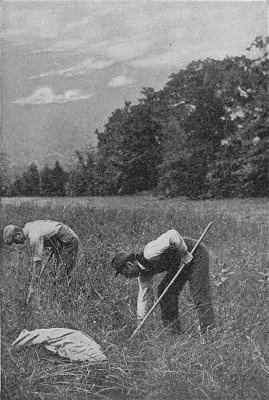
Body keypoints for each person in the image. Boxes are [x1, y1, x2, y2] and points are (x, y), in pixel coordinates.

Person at [111, 228, 214, 335]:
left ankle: (209, 334)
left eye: (125, 274)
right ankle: (173, 333)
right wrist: (139, 327)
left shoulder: (149, 253)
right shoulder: (143, 275)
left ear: (129, 265)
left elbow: (173, 235)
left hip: (195, 253)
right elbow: (143, 300)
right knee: (165, 292)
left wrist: (184, 253)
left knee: (200, 294)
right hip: (180, 263)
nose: (128, 277)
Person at [3, 220, 79, 300]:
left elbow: (37, 264)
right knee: (56, 274)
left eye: (15, 241)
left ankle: (65, 301)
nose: (16, 244)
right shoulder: (28, 227)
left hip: (69, 240)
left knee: (62, 276)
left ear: (18, 234)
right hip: (60, 241)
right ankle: (60, 299)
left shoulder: (34, 236)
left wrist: (32, 287)